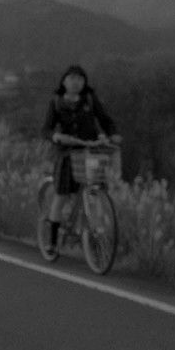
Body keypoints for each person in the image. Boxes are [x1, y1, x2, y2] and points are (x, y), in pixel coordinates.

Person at [40, 64, 121, 255]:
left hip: (91, 150)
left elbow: (105, 119)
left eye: (80, 79)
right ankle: (52, 240)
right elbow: (46, 129)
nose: (76, 82)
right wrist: (55, 136)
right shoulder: (56, 102)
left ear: (84, 82)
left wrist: (112, 134)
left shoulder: (90, 100)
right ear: (64, 82)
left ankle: (96, 234)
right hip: (67, 152)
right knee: (61, 194)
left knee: (95, 190)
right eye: (72, 78)